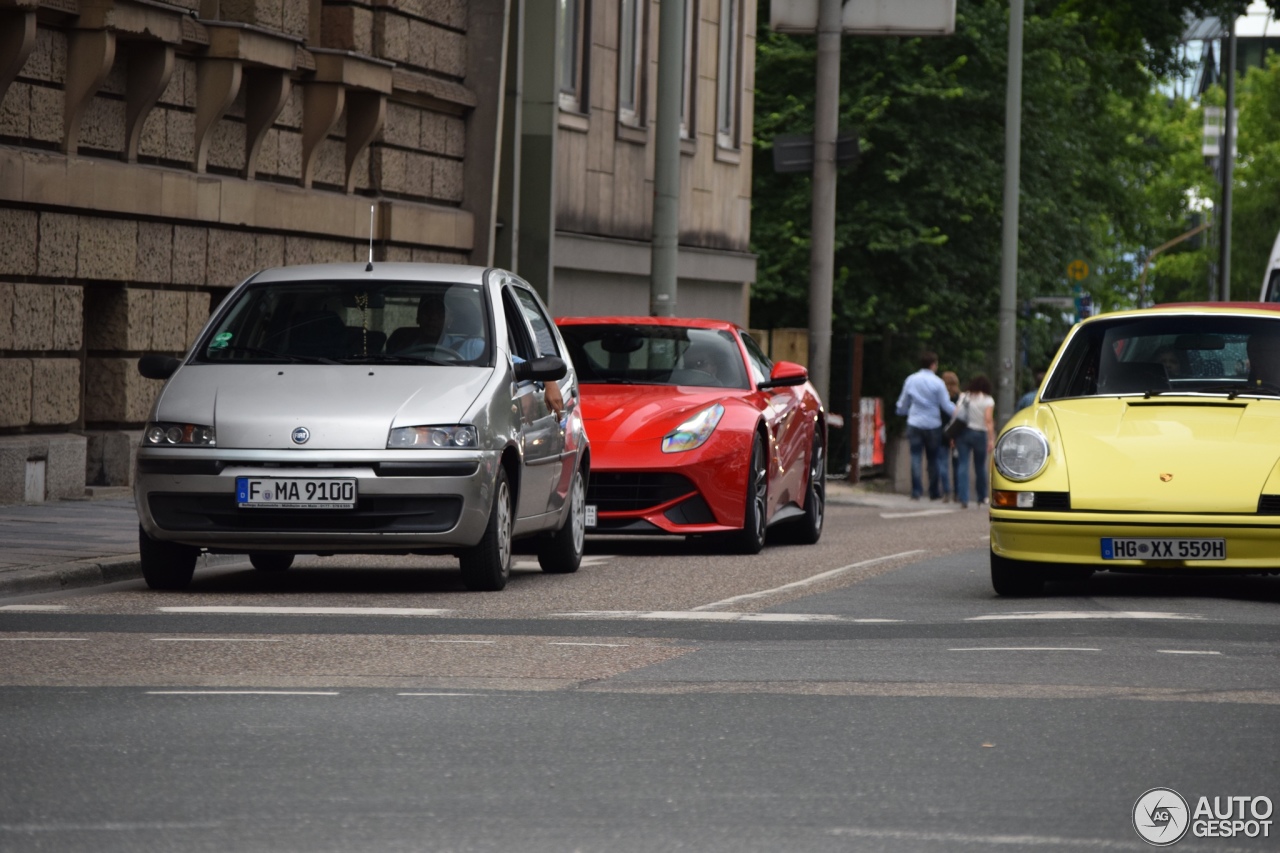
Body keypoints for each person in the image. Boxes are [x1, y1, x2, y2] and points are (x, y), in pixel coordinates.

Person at [895, 351, 955, 501]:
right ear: (933, 364)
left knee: (915, 457)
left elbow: (903, 402)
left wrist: (902, 412)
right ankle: (933, 491)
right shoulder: (938, 383)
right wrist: (959, 412)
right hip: (932, 424)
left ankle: (916, 491)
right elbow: (945, 405)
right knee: (933, 459)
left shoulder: (911, 380)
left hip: (914, 422)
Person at [952, 374, 996, 509]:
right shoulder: (988, 400)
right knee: (980, 466)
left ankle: (963, 498)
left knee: (963, 464)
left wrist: (953, 436)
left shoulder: (964, 397)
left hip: (963, 433)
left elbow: (956, 415)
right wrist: (991, 439)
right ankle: (981, 497)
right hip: (979, 433)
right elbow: (988, 420)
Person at [941, 370, 960, 503]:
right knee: (957, 464)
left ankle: (946, 491)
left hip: (942, 432)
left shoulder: (941, 398)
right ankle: (957, 493)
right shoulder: (959, 397)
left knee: (943, 463)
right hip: (956, 433)